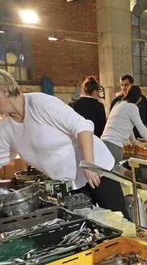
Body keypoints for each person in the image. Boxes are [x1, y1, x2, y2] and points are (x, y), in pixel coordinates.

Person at [0, 69, 130, 219]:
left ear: (3, 91)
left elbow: (82, 127)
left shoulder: (40, 103)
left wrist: (88, 164)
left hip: (96, 169)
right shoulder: (6, 128)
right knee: (89, 222)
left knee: (118, 218)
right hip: (67, 181)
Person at [101, 86, 147, 163]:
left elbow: (128, 127)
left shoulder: (118, 104)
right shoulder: (132, 107)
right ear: (140, 99)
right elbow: (142, 129)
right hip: (114, 147)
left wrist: (134, 142)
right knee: (113, 173)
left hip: (103, 144)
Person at [109, 75, 147, 139]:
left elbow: (146, 120)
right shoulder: (116, 101)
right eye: (121, 85)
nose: (123, 88)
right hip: (123, 139)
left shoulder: (142, 99)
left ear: (132, 84)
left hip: (141, 137)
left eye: (126, 85)